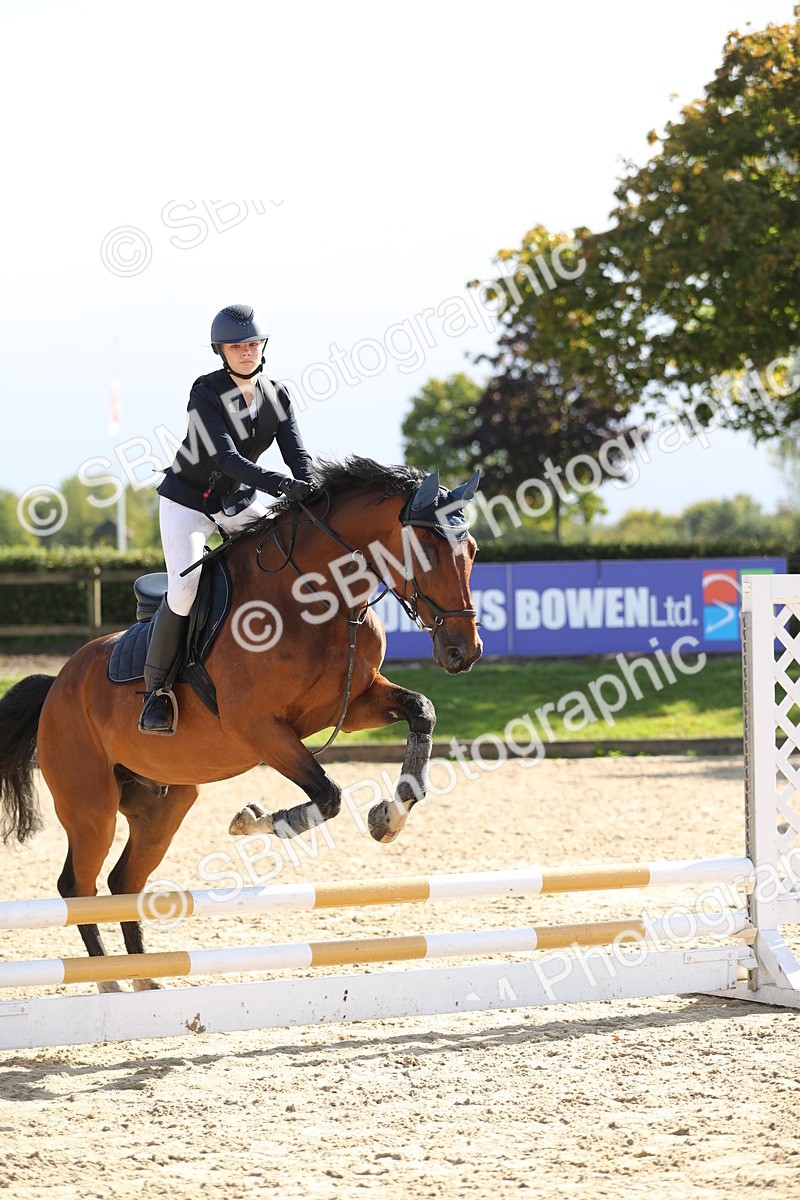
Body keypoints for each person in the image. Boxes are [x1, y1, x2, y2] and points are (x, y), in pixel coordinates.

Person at [139, 303, 315, 735]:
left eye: (253, 344)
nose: (247, 352)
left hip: (235, 503)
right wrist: (282, 487)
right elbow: (227, 459)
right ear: (221, 350)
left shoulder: (278, 395)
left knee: (288, 559)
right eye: (237, 346)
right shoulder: (206, 392)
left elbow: (298, 456)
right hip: (187, 505)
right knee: (183, 590)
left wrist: (313, 488)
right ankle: (157, 692)